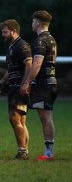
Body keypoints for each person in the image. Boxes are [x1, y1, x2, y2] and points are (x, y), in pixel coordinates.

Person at [20, 10, 57, 161]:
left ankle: (49, 153)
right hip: (50, 81)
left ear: (37, 23)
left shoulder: (40, 41)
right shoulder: (52, 39)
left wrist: (27, 82)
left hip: (44, 84)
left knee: (46, 116)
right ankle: (49, 152)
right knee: (46, 116)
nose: (32, 24)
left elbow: (37, 65)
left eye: (33, 21)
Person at [0, 19, 32, 160]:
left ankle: (22, 151)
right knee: (21, 121)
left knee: (14, 118)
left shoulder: (22, 45)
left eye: (5, 32)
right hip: (14, 87)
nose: (3, 35)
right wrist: (3, 81)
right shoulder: (12, 46)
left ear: (13, 31)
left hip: (19, 87)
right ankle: (25, 151)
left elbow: (29, 64)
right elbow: (12, 68)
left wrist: (25, 84)